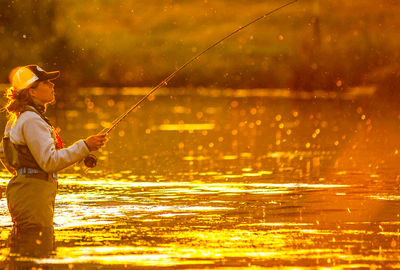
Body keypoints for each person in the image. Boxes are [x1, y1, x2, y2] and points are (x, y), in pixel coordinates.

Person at [0, 65, 107, 229]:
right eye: (46, 82)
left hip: (25, 193)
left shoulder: (19, 118)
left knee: (28, 247)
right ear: (32, 91)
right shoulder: (31, 120)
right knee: (37, 248)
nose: (52, 85)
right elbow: (49, 162)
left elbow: (5, 155)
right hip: (32, 196)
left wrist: (24, 175)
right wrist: (85, 146)